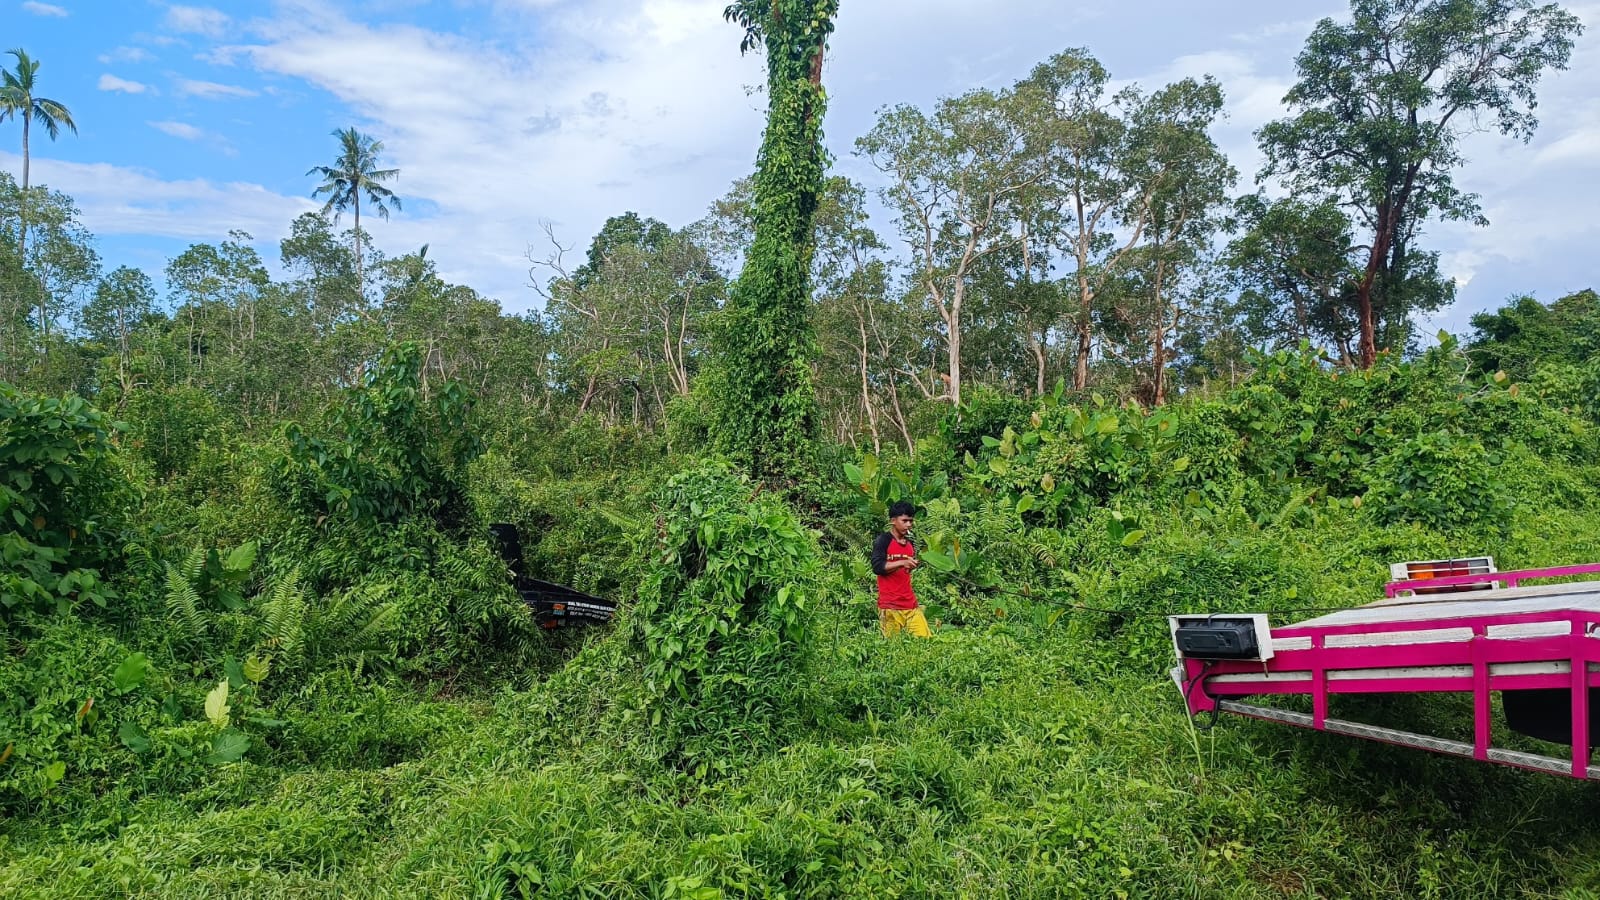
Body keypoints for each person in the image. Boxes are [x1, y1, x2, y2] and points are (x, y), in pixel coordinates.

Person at [871, 500, 931, 638]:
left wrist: (911, 565)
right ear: (893, 521)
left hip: (910, 604)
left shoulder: (909, 544)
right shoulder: (883, 540)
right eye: (904, 521)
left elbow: (904, 571)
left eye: (910, 521)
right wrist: (902, 562)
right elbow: (877, 567)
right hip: (889, 606)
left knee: (925, 640)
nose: (908, 525)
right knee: (893, 648)